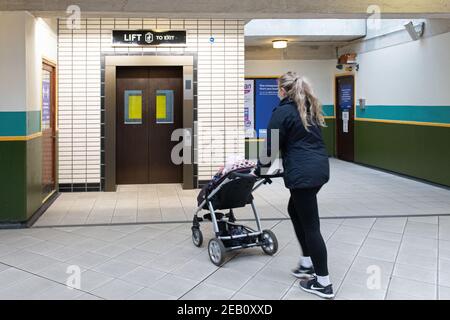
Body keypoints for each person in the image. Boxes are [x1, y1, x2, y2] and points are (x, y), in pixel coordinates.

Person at [255, 72, 334, 299]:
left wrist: (259, 170)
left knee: (311, 226)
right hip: (319, 169)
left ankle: (323, 283)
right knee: (294, 210)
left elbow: (270, 148)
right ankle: (307, 262)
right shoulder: (307, 108)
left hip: (303, 174)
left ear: (282, 90)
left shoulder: (283, 112)